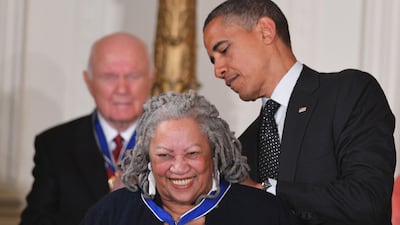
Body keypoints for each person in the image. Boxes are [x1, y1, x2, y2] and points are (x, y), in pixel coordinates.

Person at [202, 0, 396, 225]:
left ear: (266, 31)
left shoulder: (349, 93)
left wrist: (267, 191)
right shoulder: (242, 147)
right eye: (213, 60)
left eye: (224, 50)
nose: (218, 70)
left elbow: (368, 201)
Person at [80, 91, 297, 225]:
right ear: (148, 157)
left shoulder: (263, 213)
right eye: (164, 155)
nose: (179, 167)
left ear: (214, 152)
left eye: (192, 153)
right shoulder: (111, 214)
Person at [19, 32, 156, 225]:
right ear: (88, 82)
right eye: (109, 77)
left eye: (133, 76)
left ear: (152, 77)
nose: (122, 89)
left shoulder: (178, 143)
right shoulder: (54, 145)